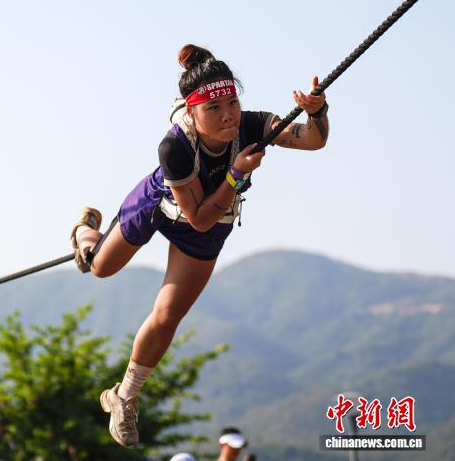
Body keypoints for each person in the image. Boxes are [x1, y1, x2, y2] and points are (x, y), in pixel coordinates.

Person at [70, 44, 329, 448]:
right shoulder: (174, 147)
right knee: (99, 267)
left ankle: (125, 396)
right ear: (191, 112)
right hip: (164, 206)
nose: (227, 115)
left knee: (168, 314)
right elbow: (199, 216)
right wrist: (235, 176)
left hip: (210, 222)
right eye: (214, 108)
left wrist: (317, 111)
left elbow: (313, 140)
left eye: (232, 102)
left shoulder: (253, 124)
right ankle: (85, 233)